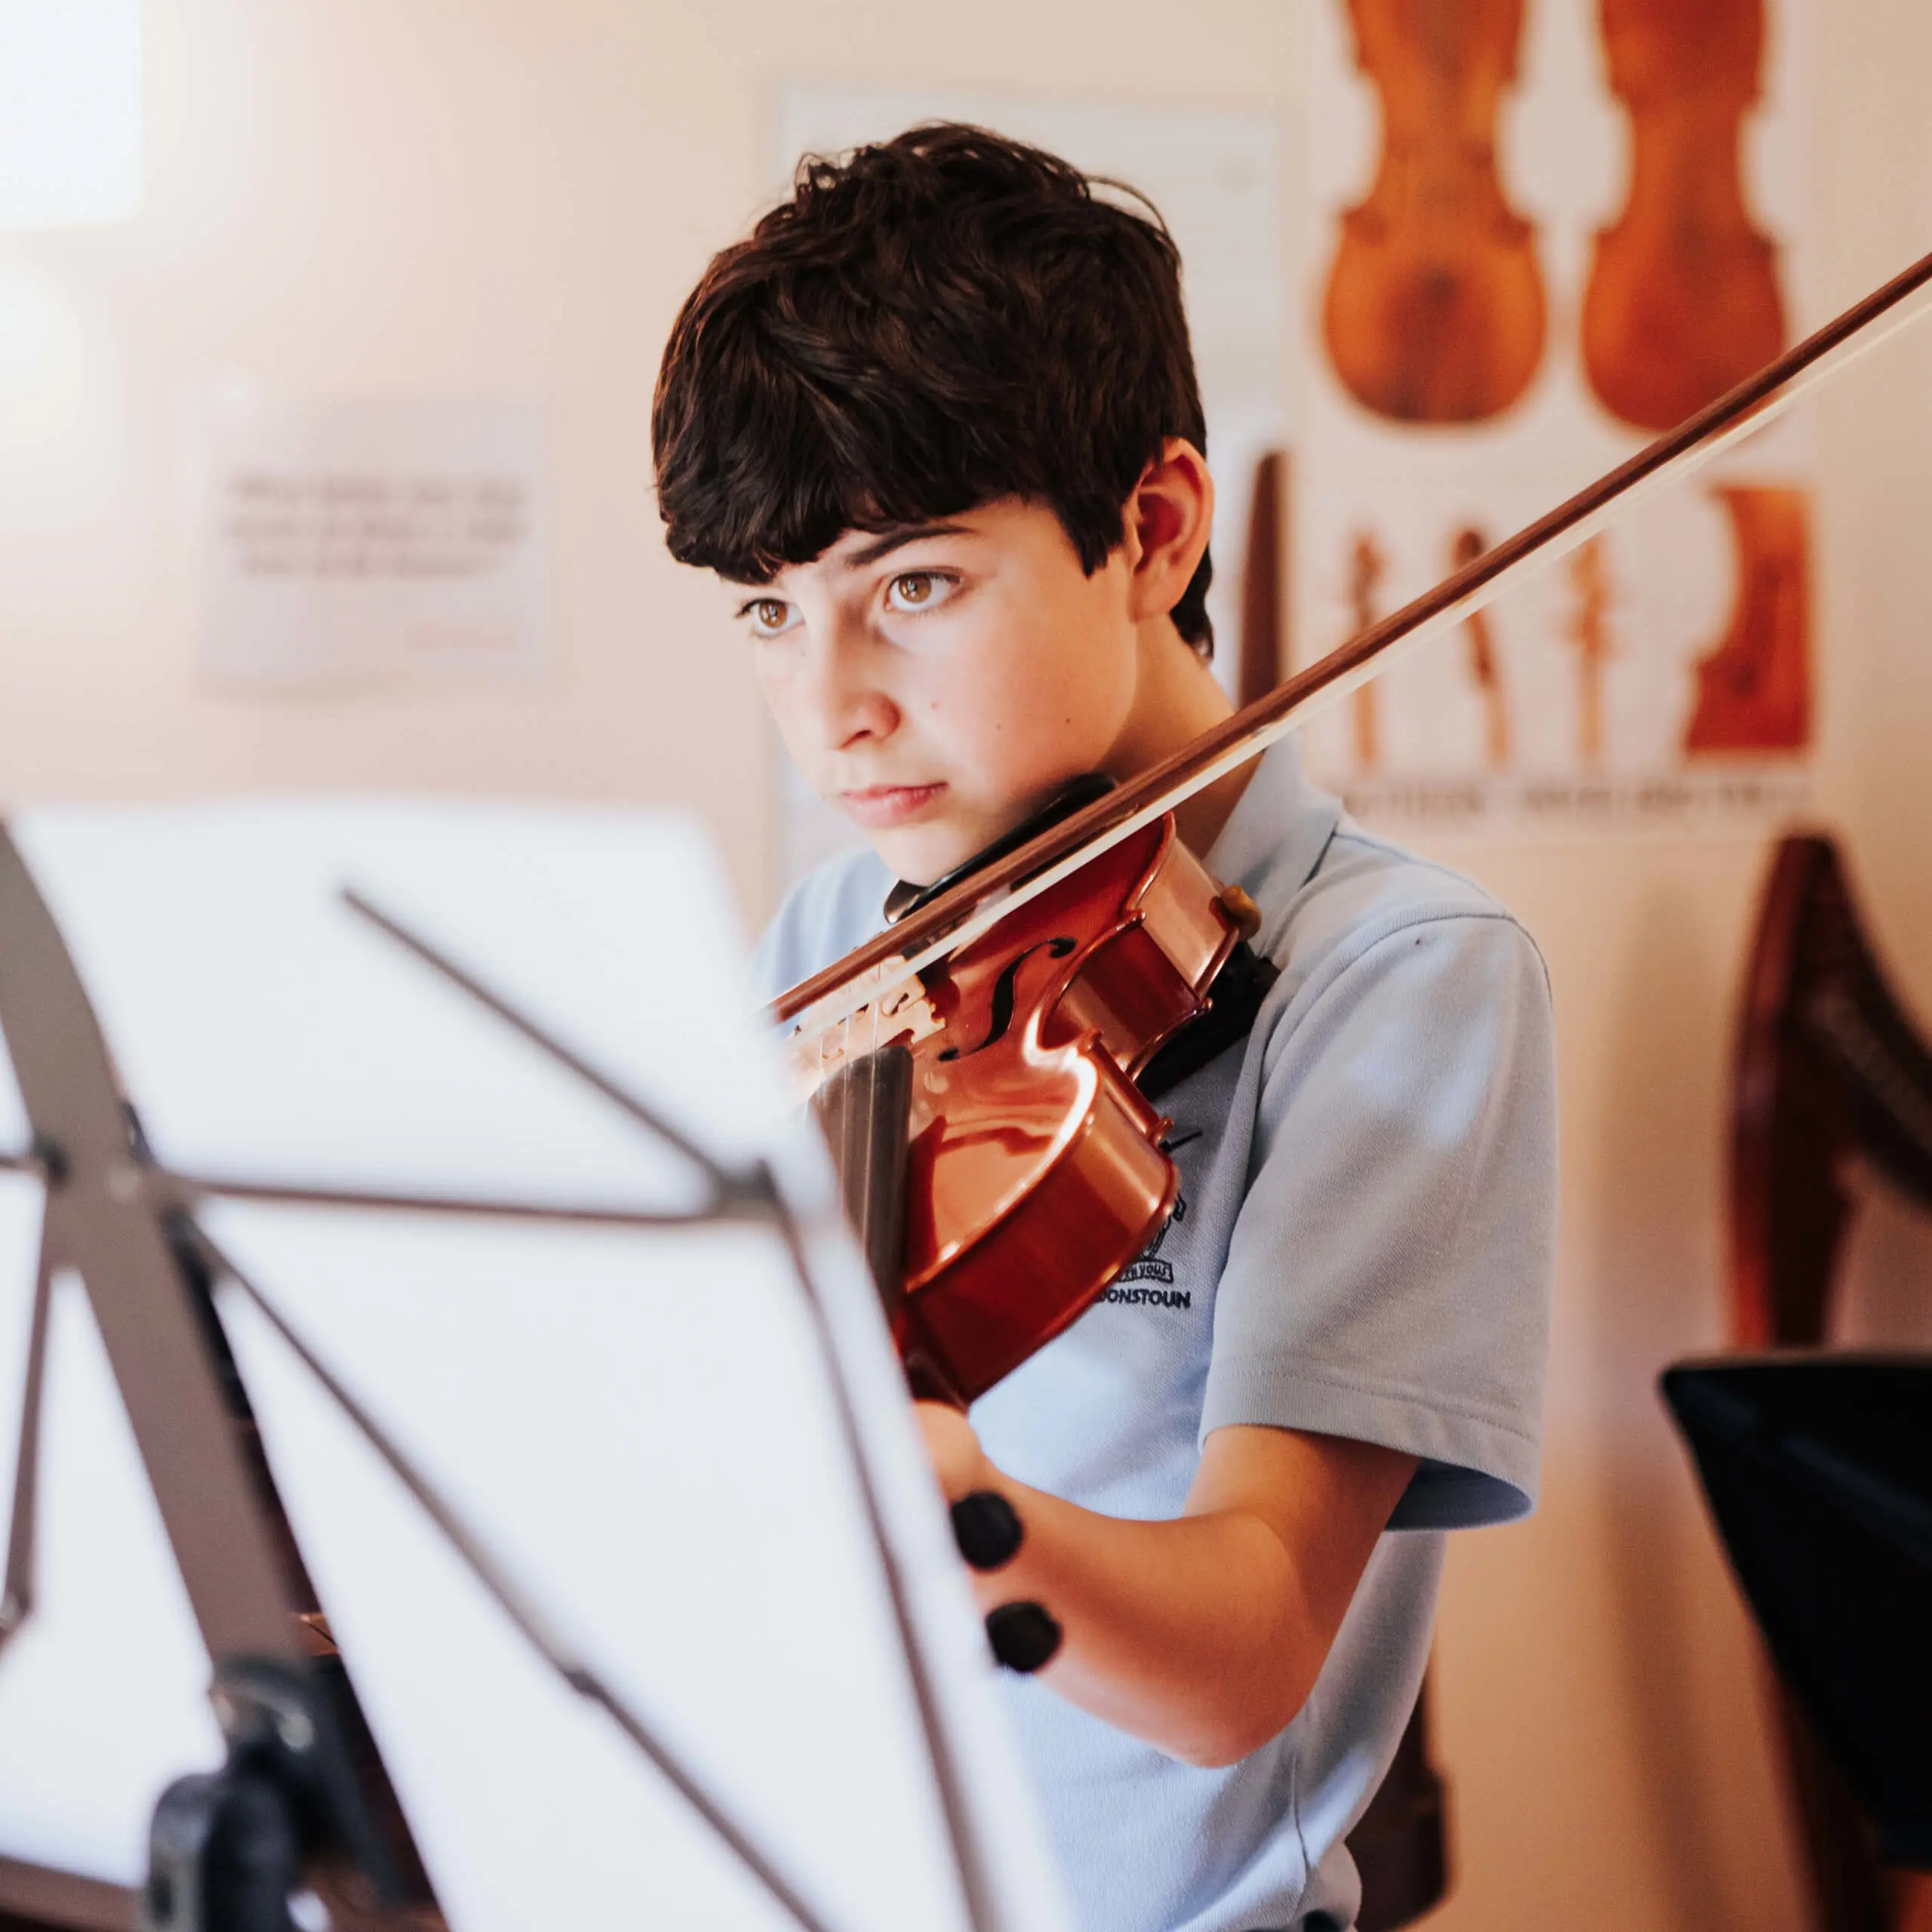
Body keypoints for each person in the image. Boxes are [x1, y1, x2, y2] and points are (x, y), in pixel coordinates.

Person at [651, 123, 1555, 1932]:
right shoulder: (846, 933)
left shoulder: (1394, 977)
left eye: (911, 584)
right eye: (770, 611)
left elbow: (1242, 1657)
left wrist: (950, 1506)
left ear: (1149, 528)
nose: (827, 711)